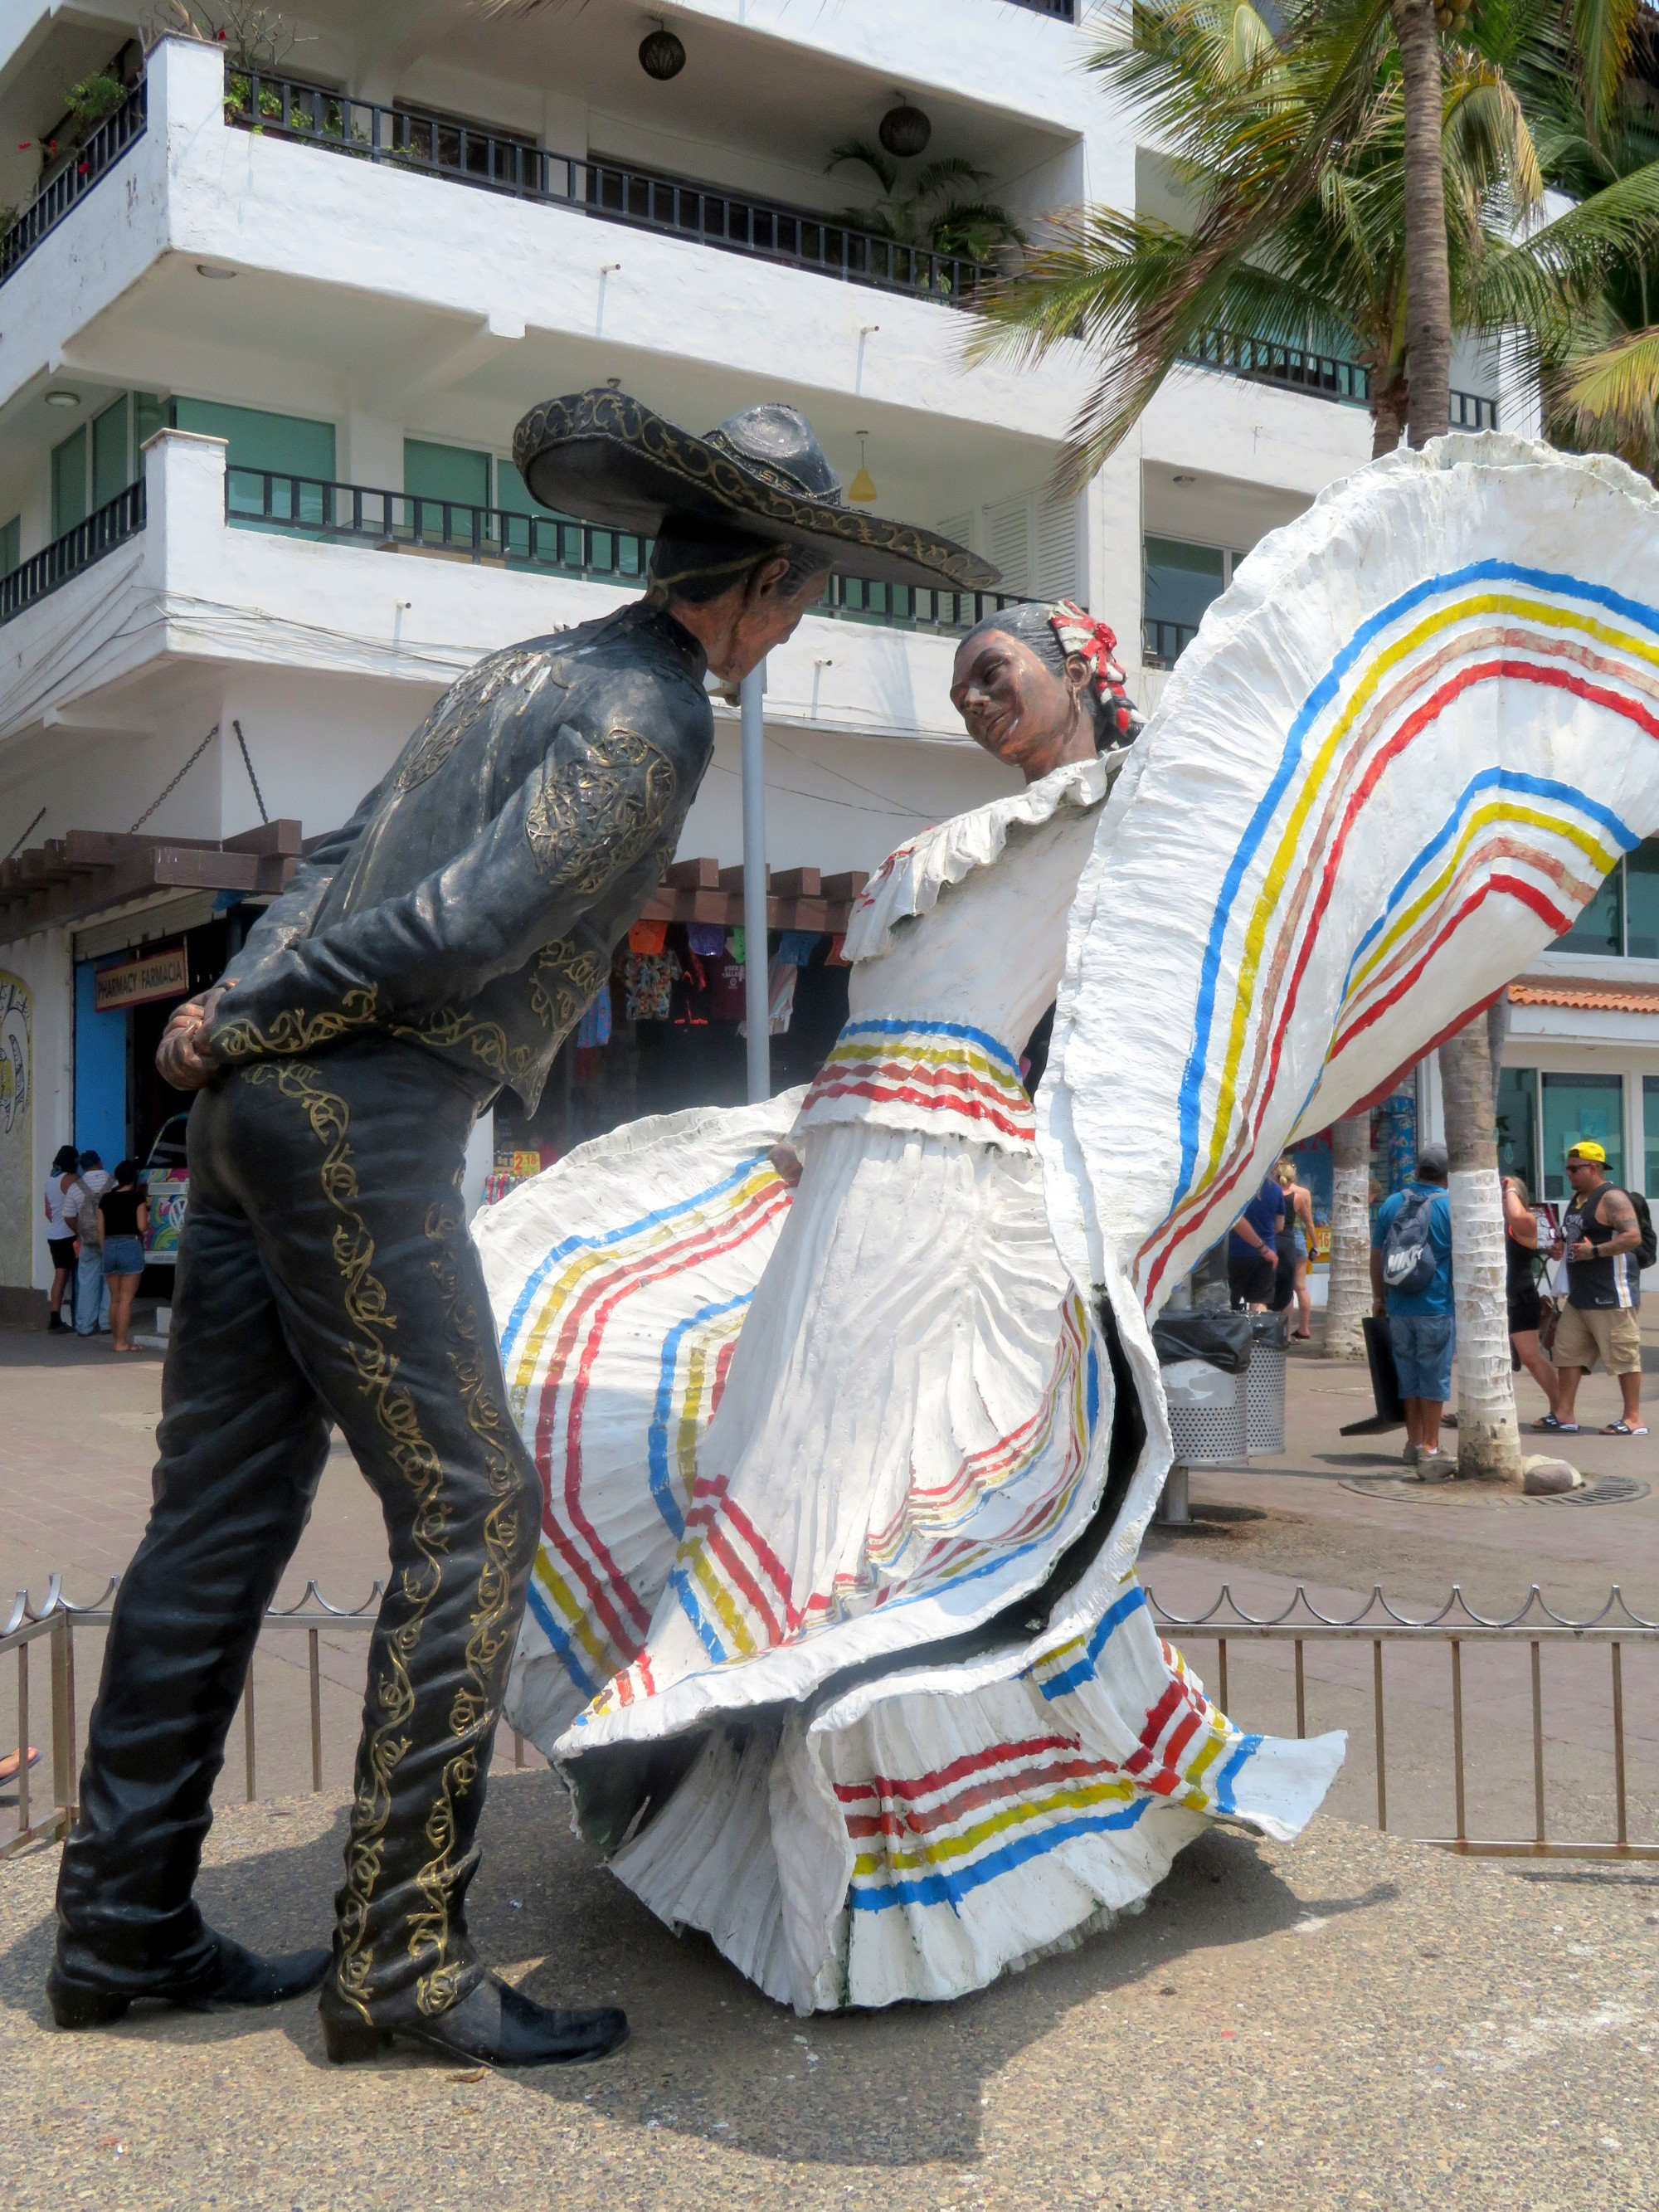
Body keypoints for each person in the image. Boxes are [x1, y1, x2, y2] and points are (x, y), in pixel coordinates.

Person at [49, 387, 990, 2068]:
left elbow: (339, 858)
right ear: (761, 582)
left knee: (216, 1521)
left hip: (269, 1112)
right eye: (804, 599)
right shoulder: (653, 718)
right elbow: (459, 931)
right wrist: (246, 1024)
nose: (798, 632)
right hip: (364, 1102)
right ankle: (400, 1952)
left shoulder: (526, 667)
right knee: (474, 1514)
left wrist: (232, 1014)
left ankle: (117, 1925)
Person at [478, 596, 1342, 2014]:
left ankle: (892, 1859)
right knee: (779, 1460)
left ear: (1081, 674)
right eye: (959, 685)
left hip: (942, 1195)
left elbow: (1187, 994)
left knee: (868, 1495)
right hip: (851, 1175)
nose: (974, 700)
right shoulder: (1042, 820)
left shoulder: (1139, 817)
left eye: (995, 673)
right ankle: (789, 1831)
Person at [1545, 1141, 1647, 1437]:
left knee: (1624, 1356)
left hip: (1611, 1293)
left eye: (1574, 1168)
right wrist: (1559, 1248)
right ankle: (1564, 1413)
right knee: (1567, 1353)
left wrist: (1597, 1251)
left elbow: (1633, 1237)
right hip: (1580, 1294)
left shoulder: (1612, 1198)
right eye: (1567, 1168)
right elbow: (1575, 1236)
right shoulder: (1577, 1199)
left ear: (1594, 1167)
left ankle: (1633, 1418)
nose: (1569, 1174)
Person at [1370, 1143, 1455, 1475]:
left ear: (1417, 1170)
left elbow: (1377, 1255)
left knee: (1408, 1375)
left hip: (1399, 1306)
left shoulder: (1393, 1202)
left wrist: (1379, 1298)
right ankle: (1432, 1448)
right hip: (1436, 1305)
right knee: (1434, 1376)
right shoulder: (1450, 1207)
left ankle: (1414, 1442)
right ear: (1447, 1176)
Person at [1501, 1173, 1559, 1417]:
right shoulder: (1491, 1223)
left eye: (1505, 1197)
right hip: (1495, 1300)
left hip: (1519, 1297)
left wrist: (1512, 1188)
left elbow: (1518, 1217)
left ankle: (1560, 1407)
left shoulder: (1524, 1224)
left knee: (1531, 1357)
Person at [97, 1162, 150, 1356]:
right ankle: (121, 1342)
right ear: (133, 1178)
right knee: (127, 1300)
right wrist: (148, 1219)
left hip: (110, 1247)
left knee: (115, 1299)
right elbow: (142, 1226)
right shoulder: (138, 1197)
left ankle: (117, 1339)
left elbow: (100, 1229)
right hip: (130, 1245)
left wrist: (106, 1250)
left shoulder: (106, 1199)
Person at [66, 1152, 111, 1338]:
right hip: (110, 1239)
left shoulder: (76, 1188)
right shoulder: (114, 1183)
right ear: (100, 1162)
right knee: (111, 1282)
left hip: (88, 1240)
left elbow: (68, 1216)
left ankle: (84, 1326)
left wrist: (80, 1232)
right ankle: (107, 1322)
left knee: (86, 1282)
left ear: (82, 1167)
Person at [1228, 1172, 1284, 1311]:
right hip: (1267, 1253)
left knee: (1234, 1302)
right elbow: (1280, 1226)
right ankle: (1259, 1333)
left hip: (1236, 1251)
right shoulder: (1276, 1190)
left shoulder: (1237, 1188)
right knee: (1259, 1301)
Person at [1274, 1155, 1316, 1337]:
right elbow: (1309, 1221)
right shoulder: (1303, 1193)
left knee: (1282, 1285)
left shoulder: (1274, 1191)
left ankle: (1281, 1329)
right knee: (1300, 1286)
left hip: (1282, 1237)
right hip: (1298, 1237)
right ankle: (1304, 1328)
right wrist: (1315, 1245)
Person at [43, 1144, 80, 1333]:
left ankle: (55, 1317)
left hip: (54, 1234)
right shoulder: (71, 1180)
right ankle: (62, 1321)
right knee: (72, 1275)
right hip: (69, 1234)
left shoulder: (50, 1181)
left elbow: (47, 1212)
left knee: (60, 1275)